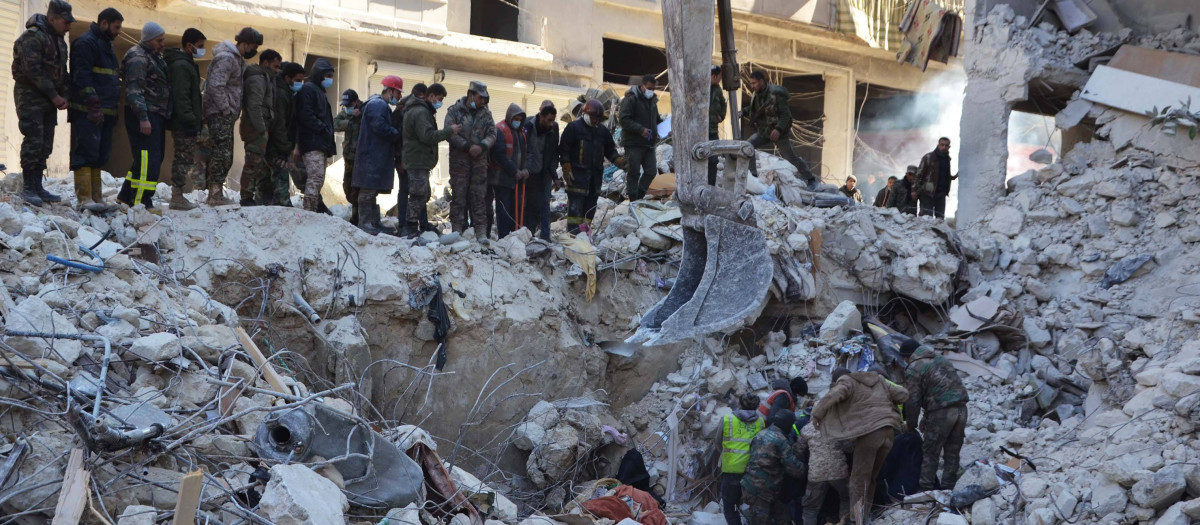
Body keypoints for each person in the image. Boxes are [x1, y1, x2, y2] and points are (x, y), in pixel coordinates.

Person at [812, 367, 908, 525]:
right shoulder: (880, 380)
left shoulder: (847, 381)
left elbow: (835, 394)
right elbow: (903, 394)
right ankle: (864, 515)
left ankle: (856, 519)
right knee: (870, 478)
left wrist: (817, 413)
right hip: (889, 432)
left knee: (858, 479)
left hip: (869, 433)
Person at [12, 0, 72, 207]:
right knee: (34, 140)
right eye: (65, 22)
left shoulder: (59, 40)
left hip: (48, 97)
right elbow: (33, 71)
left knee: (46, 143)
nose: (68, 26)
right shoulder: (32, 37)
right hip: (30, 95)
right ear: (52, 18)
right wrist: (55, 96)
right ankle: (28, 187)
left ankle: (37, 186)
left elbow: (60, 71)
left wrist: (65, 93)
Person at [68, 7, 122, 212]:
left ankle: (96, 197)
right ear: (104, 23)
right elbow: (81, 77)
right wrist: (93, 105)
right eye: (116, 27)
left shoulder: (105, 45)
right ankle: (84, 198)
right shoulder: (86, 43)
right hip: (87, 111)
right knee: (86, 152)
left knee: (99, 154)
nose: (118, 32)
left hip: (105, 111)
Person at [900, 338, 969, 491]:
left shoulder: (914, 367)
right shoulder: (941, 359)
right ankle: (948, 490)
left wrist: (910, 424)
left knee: (931, 452)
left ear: (906, 357)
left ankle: (926, 491)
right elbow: (941, 388)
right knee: (952, 452)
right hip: (961, 409)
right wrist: (926, 416)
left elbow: (912, 400)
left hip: (941, 413)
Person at [116, 22, 171, 211]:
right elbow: (134, 90)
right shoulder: (138, 57)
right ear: (149, 39)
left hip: (154, 113)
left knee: (146, 158)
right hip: (144, 114)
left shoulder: (153, 56)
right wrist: (143, 118)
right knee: (149, 160)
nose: (163, 44)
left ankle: (125, 196)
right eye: (159, 40)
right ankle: (141, 202)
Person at [203, 27, 261, 205]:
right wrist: (226, 109)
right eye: (252, 46)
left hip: (224, 115)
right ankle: (214, 194)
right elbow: (215, 85)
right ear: (244, 44)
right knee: (222, 154)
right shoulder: (227, 59)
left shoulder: (236, 60)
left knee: (224, 155)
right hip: (219, 114)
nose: (253, 51)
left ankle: (216, 192)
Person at [741, 70, 818, 190]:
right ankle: (753, 176)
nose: (752, 86)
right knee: (748, 146)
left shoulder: (776, 95)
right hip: (764, 131)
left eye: (754, 83)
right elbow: (753, 109)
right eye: (751, 83)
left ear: (761, 81)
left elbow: (785, 115)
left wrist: (778, 129)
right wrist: (743, 112)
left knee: (790, 157)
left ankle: (810, 179)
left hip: (779, 133)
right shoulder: (757, 95)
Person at [559, 100, 626, 234]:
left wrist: (620, 162)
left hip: (594, 179)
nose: (596, 121)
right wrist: (566, 168)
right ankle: (573, 236)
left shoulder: (602, 131)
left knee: (590, 209)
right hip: (577, 177)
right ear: (585, 114)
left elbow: (610, 150)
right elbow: (564, 150)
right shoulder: (573, 128)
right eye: (593, 117)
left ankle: (585, 235)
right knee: (575, 210)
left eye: (598, 118)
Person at [402, 83, 460, 236]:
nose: (439, 103)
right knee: (418, 194)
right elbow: (427, 136)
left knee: (423, 194)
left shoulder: (422, 110)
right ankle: (411, 227)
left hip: (419, 159)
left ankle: (419, 224)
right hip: (417, 160)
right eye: (439, 99)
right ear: (431, 96)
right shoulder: (421, 112)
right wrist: (449, 131)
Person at [351, 76, 403, 235]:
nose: (399, 97)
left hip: (375, 154)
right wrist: (397, 134)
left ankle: (374, 222)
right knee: (368, 190)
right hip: (371, 155)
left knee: (372, 190)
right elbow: (379, 126)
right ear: (390, 90)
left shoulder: (378, 104)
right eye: (398, 93)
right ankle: (365, 223)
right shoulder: (377, 105)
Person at [445, 80, 496, 239]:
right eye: (480, 98)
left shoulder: (486, 114)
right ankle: (457, 232)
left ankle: (481, 233)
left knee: (479, 198)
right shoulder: (454, 111)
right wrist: (467, 146)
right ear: (471, 95)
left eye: (485, 99)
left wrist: (482, 146)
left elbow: (492, 134)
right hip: (459, 162)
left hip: (479, 163)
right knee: (459, 197)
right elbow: (449, 133)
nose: (483, 101)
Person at [164, 28, 206, 210]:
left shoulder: (187, 64)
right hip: (183, 122)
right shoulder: (181, 66)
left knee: (186, 158)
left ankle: (178, 195)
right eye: (200, 46)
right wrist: (190, 120)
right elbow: (182, 97)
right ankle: (177, 196)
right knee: (182, 159)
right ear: (189, 46)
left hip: (187, 121)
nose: (202, 49)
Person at [741, 410, 806, 525]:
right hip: (763, 491)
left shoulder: (761, 434)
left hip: (752, 486)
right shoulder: (781, 440)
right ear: (787, 424)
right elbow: (794, 469)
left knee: (783, 518)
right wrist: (811, 469)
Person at [292, 58, 337, 212]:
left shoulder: (319, 92)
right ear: (319, 74)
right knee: (315, 178)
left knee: (318, 179)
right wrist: (322, 128)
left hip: (319, 142)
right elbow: (305, 115)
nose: (330, 79)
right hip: (312, 142)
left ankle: (313, 210)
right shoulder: (309, 90)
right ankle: (309, 211)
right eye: (328, 75)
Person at [238, 49, 280, 206]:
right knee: (252, 162)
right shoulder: (257, 78)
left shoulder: (264, 77)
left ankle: (255, 195)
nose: (277, 70)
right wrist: (261, 128)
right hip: (255, 128)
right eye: (275, 66)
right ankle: (246, 197)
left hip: (259, 126)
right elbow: (254, 106)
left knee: (259, 163)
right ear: (266, 63)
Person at [715, 393, 764, 525]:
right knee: (755, 507)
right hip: (753, 471)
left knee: (730, 507)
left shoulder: (728, 419)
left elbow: (718, 443)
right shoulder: (760, 422)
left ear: (740, 404)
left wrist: (728, 456)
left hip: (731, 470)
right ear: (757, 406)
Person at [799, 402, 850, 525]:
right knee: (846, 498)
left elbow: (798, 451)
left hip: (816, 474)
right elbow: (849, 449)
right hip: (839, 472)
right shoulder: (839, 428)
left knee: (810, 509)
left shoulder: (806, 429)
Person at [266, 61, 304, 206]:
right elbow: (280, 123)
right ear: (288, 78)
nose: (300, 83)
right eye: (297, 80)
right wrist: (284, 149)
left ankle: (277, 202)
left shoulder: (287, 92)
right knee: (280, 171)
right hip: (277, 142)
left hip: (280, 141)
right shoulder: (281, 94)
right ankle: (283, 203)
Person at [619, 74, 662, 201]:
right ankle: (633, 200)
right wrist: (640, 129)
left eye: (653, 89)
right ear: (642, 85)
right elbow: (623, 119)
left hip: (648, 144)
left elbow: (657, 120)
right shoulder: (630, 99)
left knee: (651, 171)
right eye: (649, 88)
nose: (651, 91)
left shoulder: (653, 101)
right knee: (634, 173)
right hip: (633, 143)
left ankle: (639, 196)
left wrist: (666, 128)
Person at [391, 82, 426, 232]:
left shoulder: (405, 108)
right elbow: (396, 136)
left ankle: (419, 224)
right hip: (407, 158)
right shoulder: (404, 110)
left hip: (413, 158)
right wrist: (399, 159)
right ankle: (405, 225)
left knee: (417, 191)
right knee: (408, 190)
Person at [490, 103, 529, 239]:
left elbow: (526, 153)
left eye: (519, 119)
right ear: (509, 117)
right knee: (504, 210)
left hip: (517, 179)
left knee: (516, 209)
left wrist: (526, 169)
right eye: (515, 119)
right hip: (502, 179)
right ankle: (504, 238)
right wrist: (514, 171)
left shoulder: (522, 132)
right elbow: (500, 156)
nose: (517, 122)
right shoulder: (500, 130)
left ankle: (514, 237)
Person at [524, 100, 560, 242]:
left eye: (553, 120)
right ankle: (527, 234)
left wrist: (555, 176)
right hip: (529, 173)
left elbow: (553, 152)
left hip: (544, 172)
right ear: (541, 115)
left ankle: (545, 236)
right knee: (529, 204)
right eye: (549, 120)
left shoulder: (554, 129)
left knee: (545, 203)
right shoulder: (527, 125)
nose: (551, 124)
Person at [334, 88, 364, 223]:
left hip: (362, 158)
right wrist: (351, 119)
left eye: (350, 105)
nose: (347, 108)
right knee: (348, 188)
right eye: (345, 106)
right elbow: (334, 124)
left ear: (357, 102)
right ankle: (355, 213)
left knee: (360, 189)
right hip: (349, 158)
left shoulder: (365, 111)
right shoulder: (347, 115)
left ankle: (358, 217)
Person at [913, 137, 957, 219]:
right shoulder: (928, 157)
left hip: (941, 193)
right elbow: (918, 175)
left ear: (949, 147)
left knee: (939, 219)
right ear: (938, 145)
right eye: (942, 145)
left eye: (946, 145)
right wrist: (914, 191)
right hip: (927, 193)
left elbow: (944, 175)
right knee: (926, 219)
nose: (944, 147)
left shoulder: (947, 159)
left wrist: (954, 176)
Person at [708, 65, 727, 185]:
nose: (720, 80)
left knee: (713, 159)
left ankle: (711, 186)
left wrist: (721, 115)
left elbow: (723, 103)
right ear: (714, 76)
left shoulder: (717, 89)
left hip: (713, 130)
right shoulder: (700, 87)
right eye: (719, 77)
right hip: (700, 132)